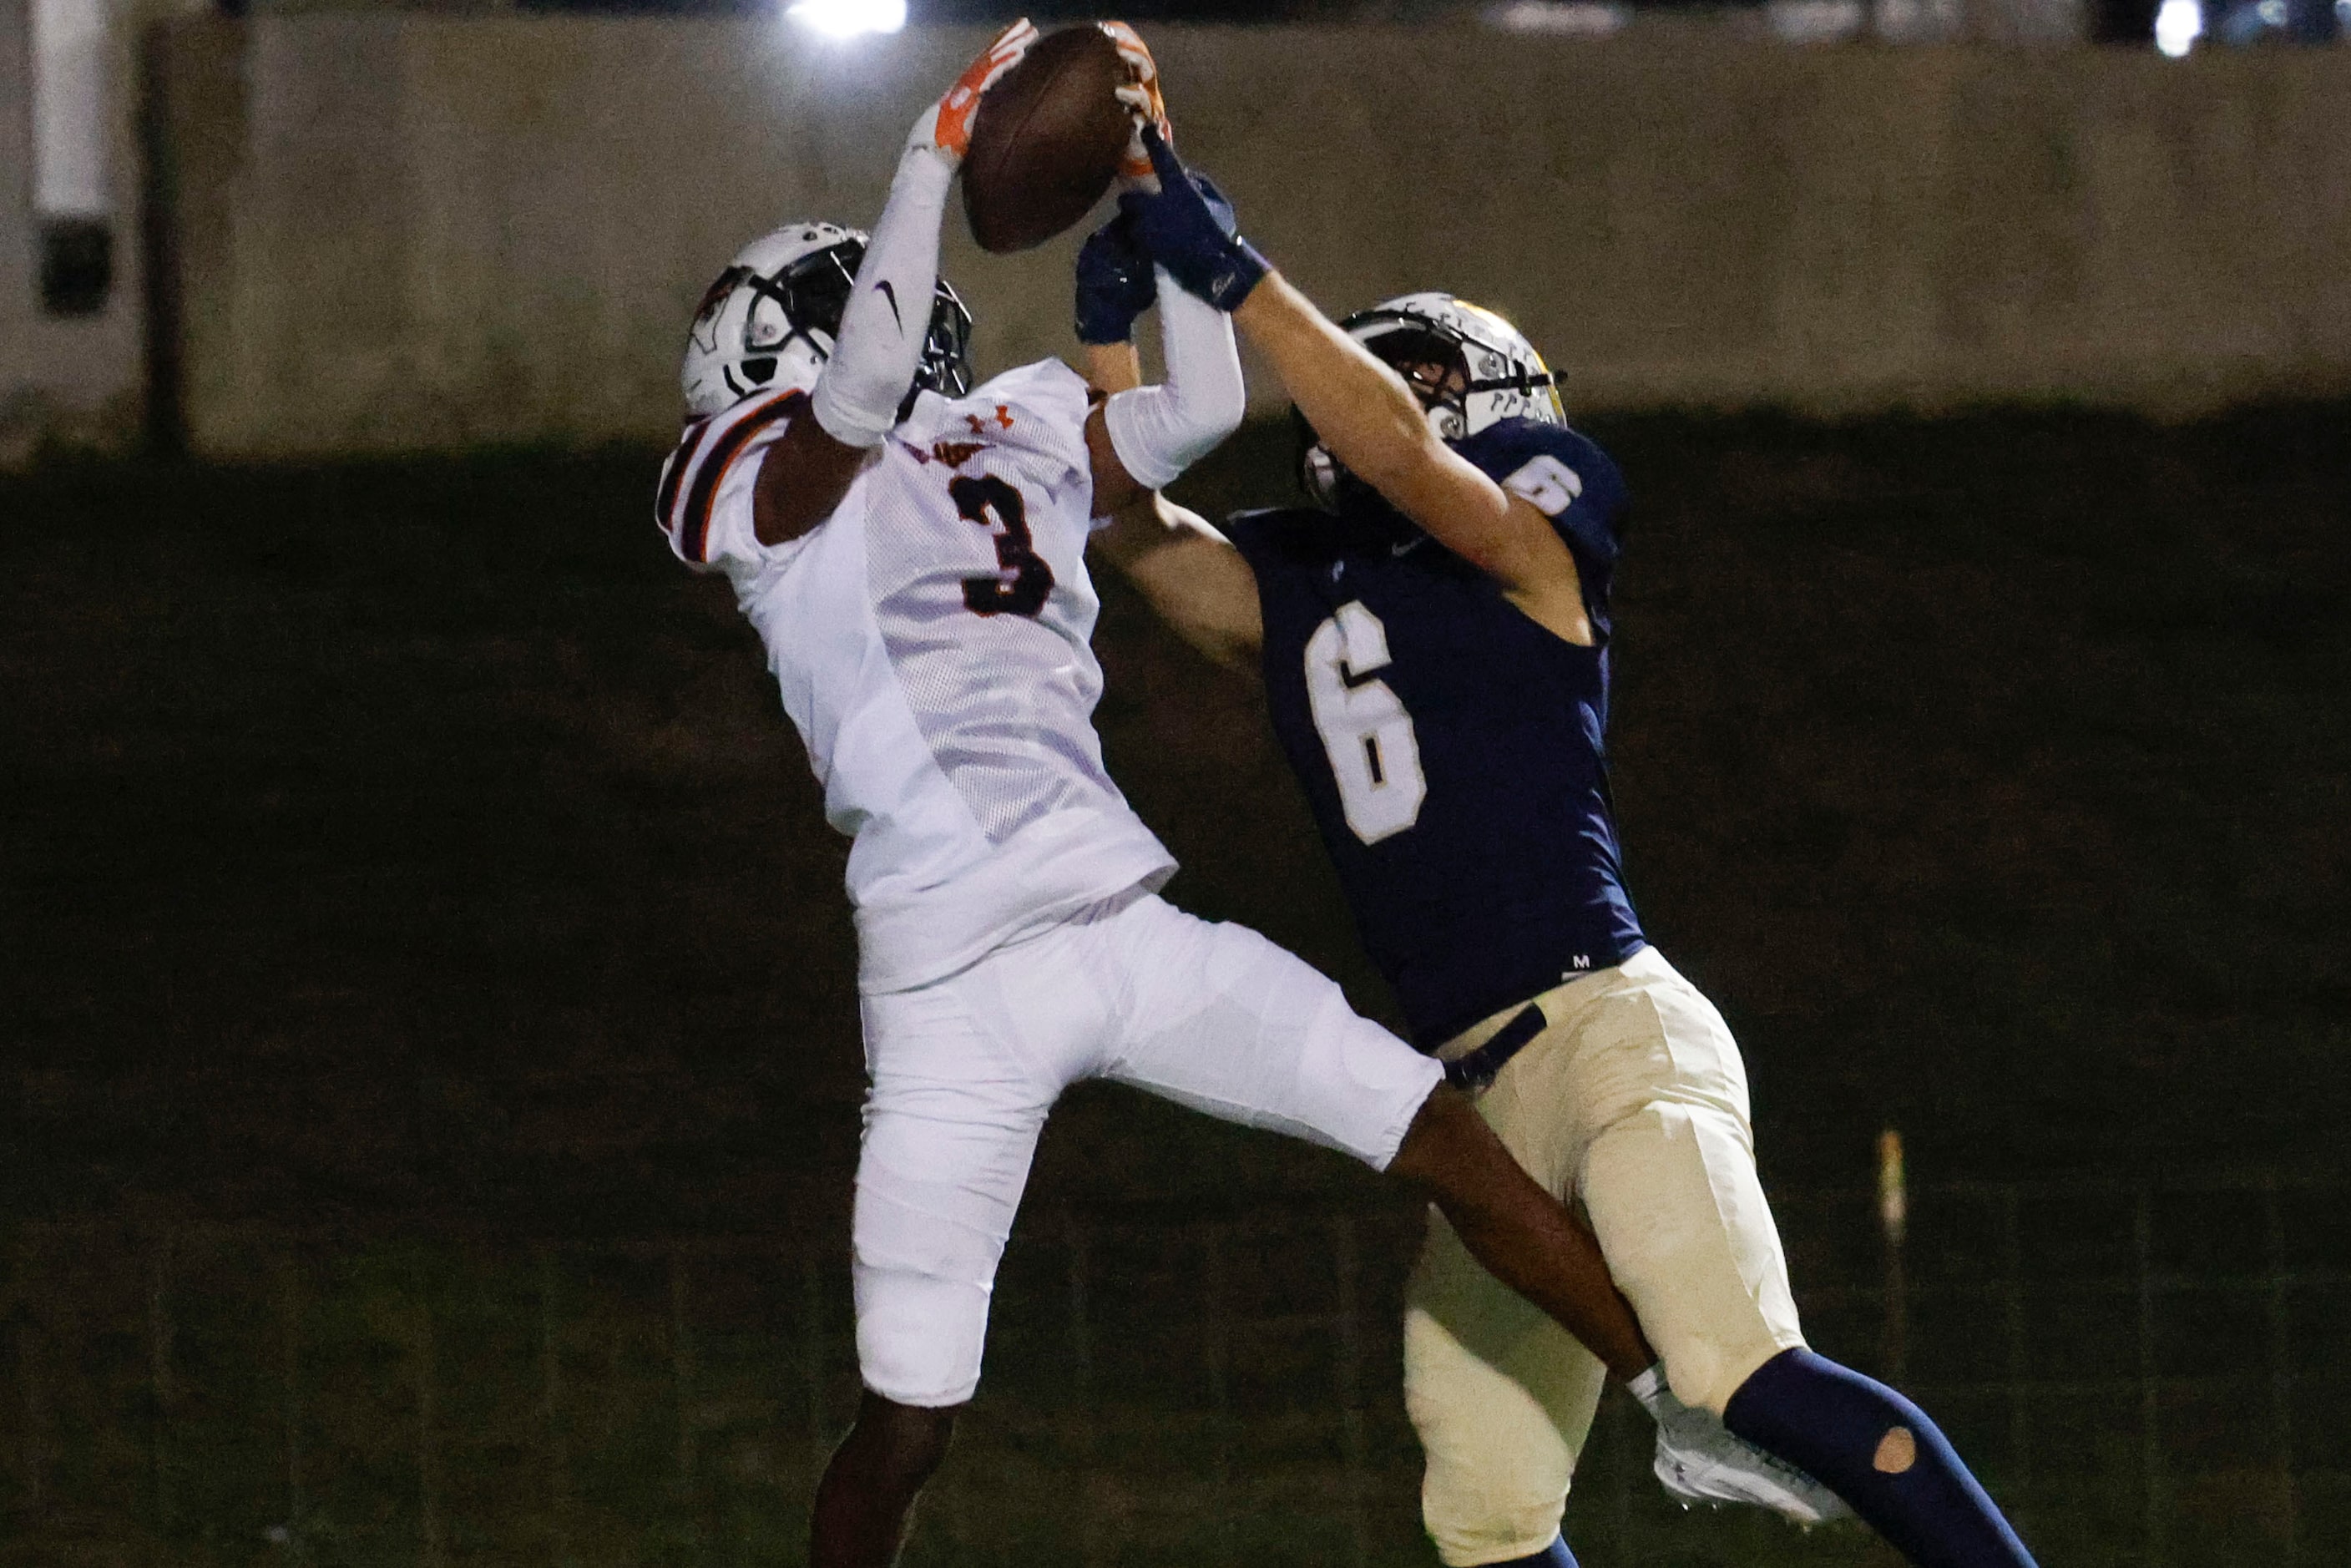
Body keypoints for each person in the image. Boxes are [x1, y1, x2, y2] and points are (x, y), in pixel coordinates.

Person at [653, 24, 1788, 1568]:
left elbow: (1188, 413)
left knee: (1444, 1137)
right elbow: (853, 409)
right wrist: (933, 157)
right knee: (908, 1420)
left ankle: (1689, 1411)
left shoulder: (1012, 424)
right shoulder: (757, 488)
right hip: (946, 979)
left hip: (1117, 918)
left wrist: (1158, 222)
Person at [1085, 127, 2042, 1568]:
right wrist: (1111, 332)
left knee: (1739, 1377)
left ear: (1487, 395)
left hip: (1609, 1033)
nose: (1358, 401)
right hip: (1479, 1099)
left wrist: (1238, 280)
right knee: (1482, 1510)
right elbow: (1129, 525)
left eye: (1401, 369)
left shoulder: (1539, 508)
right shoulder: (1314, 580)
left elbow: (1403, 452)